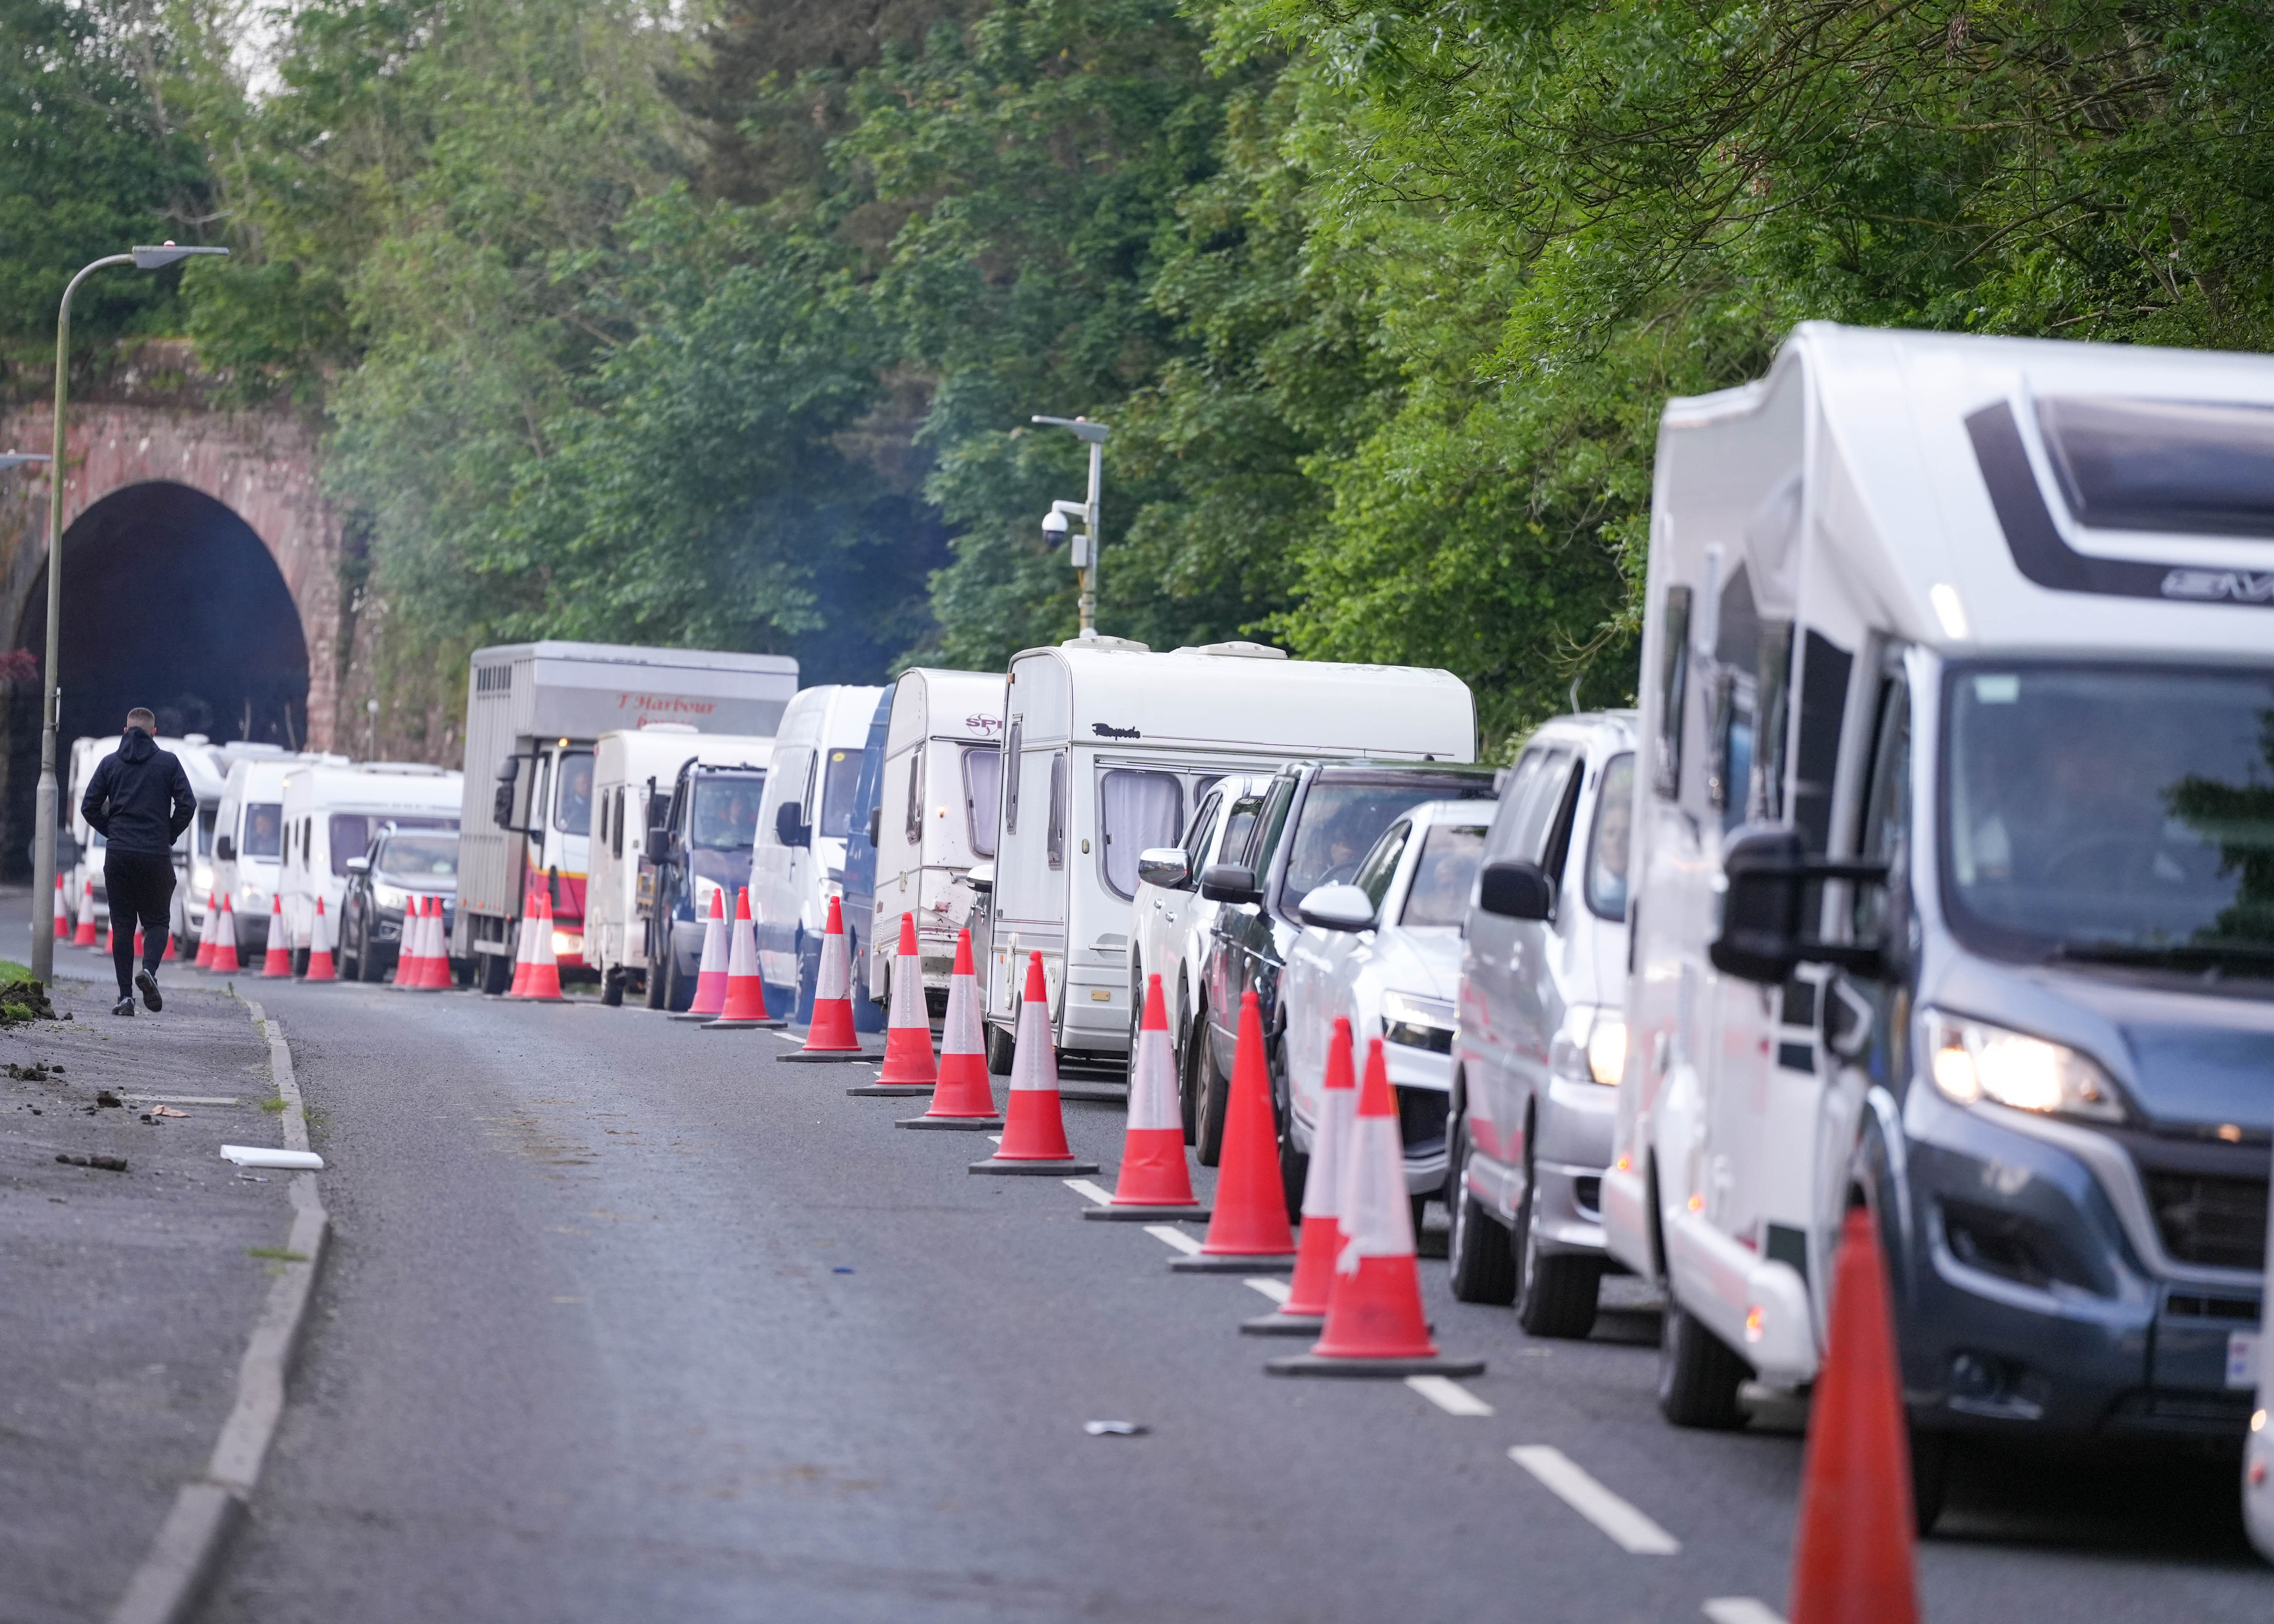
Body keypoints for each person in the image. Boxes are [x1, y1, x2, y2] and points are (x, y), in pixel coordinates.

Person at [80, 709, 195, 1016]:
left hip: (119, 856)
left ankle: (126, 998)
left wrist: (113, 832)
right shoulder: (168, 763)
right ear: (154, 732)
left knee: (122, 926)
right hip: (155, 856)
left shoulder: (110, 764)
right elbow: (188, 804)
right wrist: (167, 835)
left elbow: (89, 806)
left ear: (125, 730)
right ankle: (150, 972)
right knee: (157, 922)